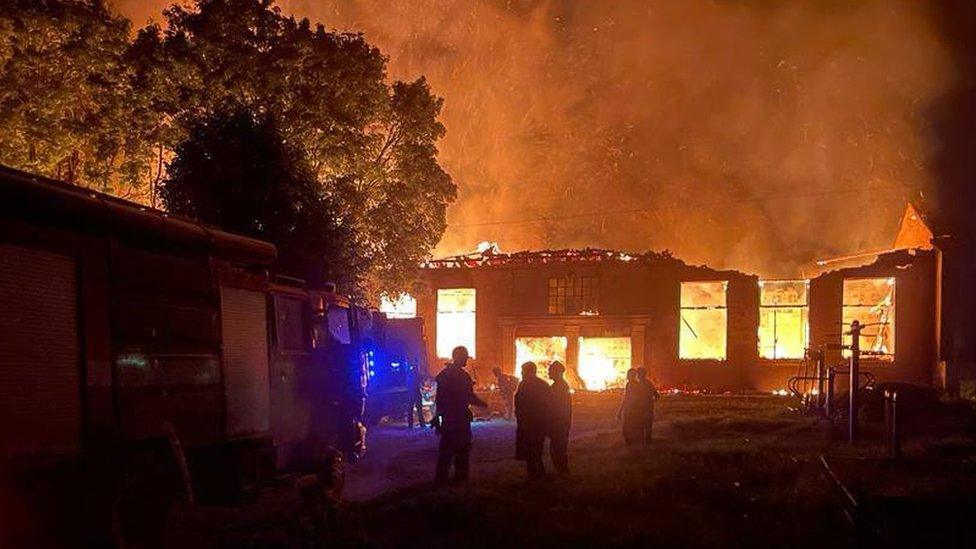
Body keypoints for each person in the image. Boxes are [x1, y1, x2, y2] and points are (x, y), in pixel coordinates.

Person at [434, 346, 487, 483]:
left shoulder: (444, 374)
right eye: (465, 357)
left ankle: (441, 479)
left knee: (445, 450)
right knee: (462, 450)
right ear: (460, 357)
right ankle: (460, 479)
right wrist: (483, 404)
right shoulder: (463, 377)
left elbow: (439, 399)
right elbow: (469, 396)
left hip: (448, 418)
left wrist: (438, 417)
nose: (466, 360)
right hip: (460, 419)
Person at [515, 361, 550, 480]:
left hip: (528, 424)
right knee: (537, 450)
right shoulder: (543, 384)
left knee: (530, 451)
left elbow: (519, 403)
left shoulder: (524, 384)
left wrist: (520, 419)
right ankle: (539, 474)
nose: (521, 373)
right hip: (539, 424)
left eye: (523, 370)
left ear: (528, 371)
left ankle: (534, 475)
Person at [547, 361, 572, 478]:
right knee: (557, 450)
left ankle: (564, 474)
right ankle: (563, 473)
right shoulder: (559, 385)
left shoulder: (559, 387)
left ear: (557, 372)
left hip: (559, 424)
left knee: (558, 450)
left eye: (551, 370)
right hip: (559, 424)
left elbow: (556, 407)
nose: (548, 372)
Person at [617, 368, 644, 448]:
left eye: (629, 375)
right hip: (630, 410)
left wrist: (621, 410)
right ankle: (631, 445)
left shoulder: (633, 385)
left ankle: (631, 445)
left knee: (629, 428)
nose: (627, 376)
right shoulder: (632, 385)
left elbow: (627, 398)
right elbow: (627, 398)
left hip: (632, 411)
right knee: (629, 428)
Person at [637, 367, 660, 444]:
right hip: (644, 409)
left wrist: (648, 403)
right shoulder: (648, 383)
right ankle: (646, 443)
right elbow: (657, 396)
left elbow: (656, 395)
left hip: (645, 409)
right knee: (645, 427)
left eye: (638, 373)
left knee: (644, 427)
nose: (637, 375)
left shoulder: (643, 384)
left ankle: (646, 443)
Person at [405, 364, 426, 429]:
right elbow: (421, 384)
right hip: (416, 393)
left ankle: (410, 425)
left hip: (410, 394)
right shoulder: (418, 375)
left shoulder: (409, 375)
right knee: (419, 410)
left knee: (410, 410)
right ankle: (422, 424)